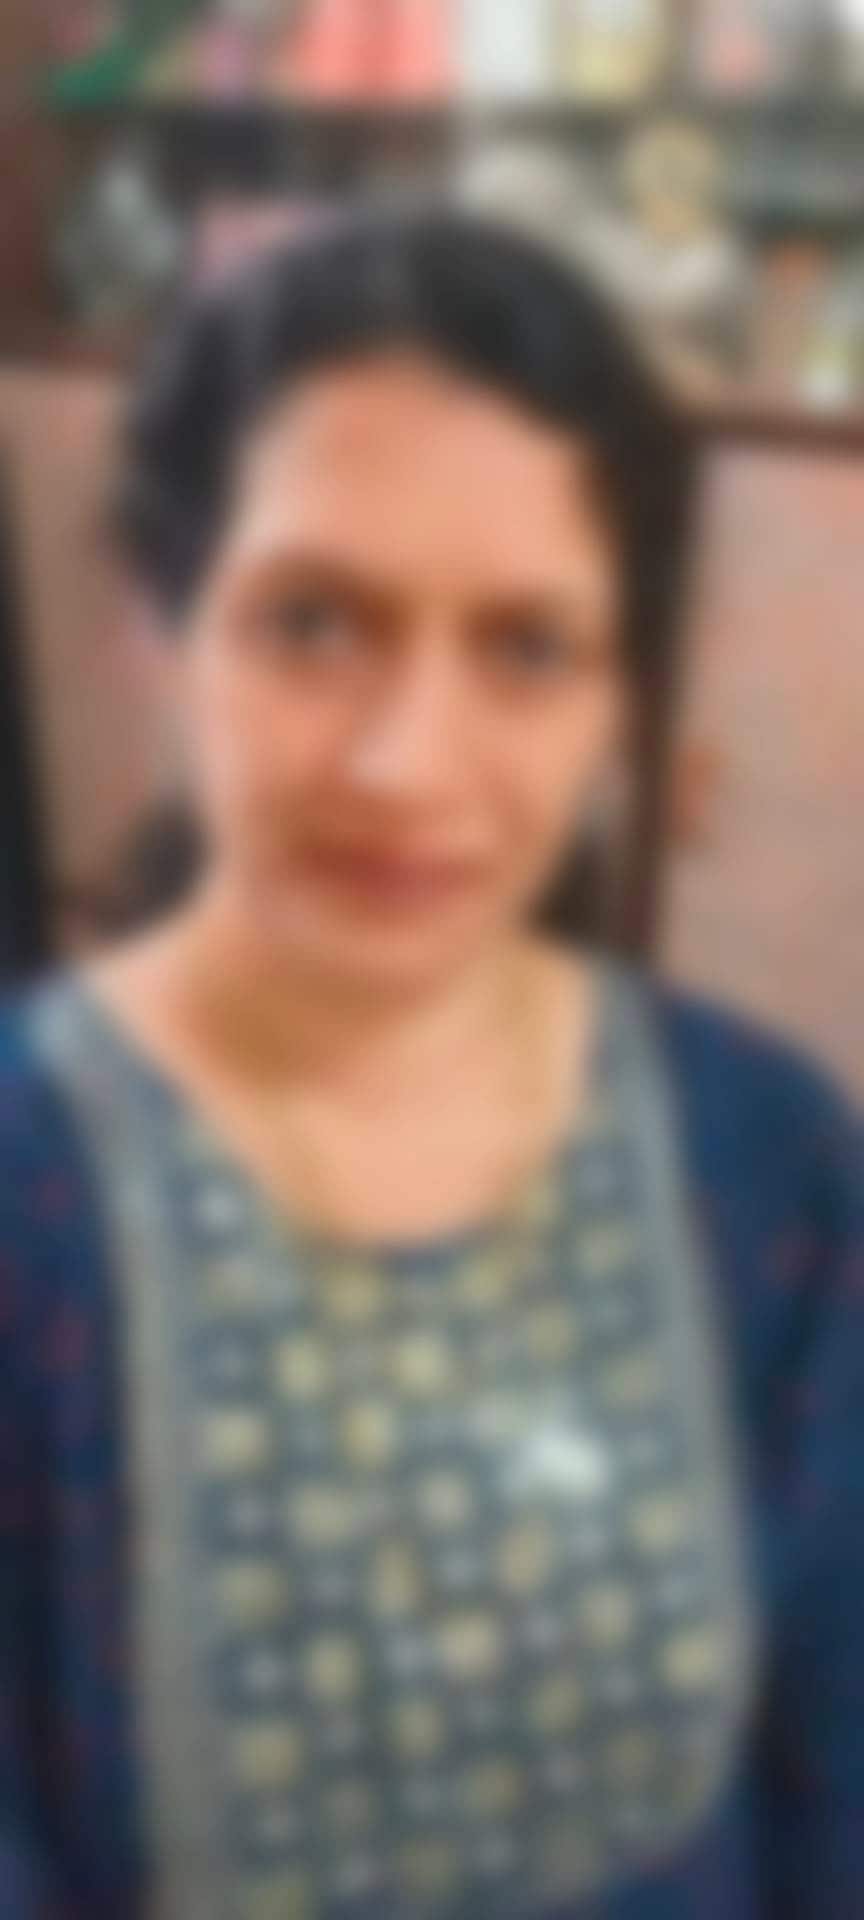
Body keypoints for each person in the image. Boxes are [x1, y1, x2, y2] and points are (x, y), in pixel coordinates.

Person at [0, 207, 861, 1920]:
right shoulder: (30, 1192)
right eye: (315, 622)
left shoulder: (766, 1160)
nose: (409, 764)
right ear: (159, 631)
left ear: (618, 705)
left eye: (528, 649)